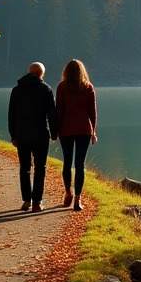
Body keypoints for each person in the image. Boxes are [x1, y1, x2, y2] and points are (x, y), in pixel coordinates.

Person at [8, 62, 59, 212]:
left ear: (29, 72)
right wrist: (54, 133)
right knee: (40, 168)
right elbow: (51, 113)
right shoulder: (45, 89)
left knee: (24, 168)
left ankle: (26, 201)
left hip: (22, 134)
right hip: (40, 134)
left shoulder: (16, 90)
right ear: (41, 74)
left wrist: (13, 135)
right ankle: (37, 201)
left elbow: (12, 115)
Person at [55, 59, 97, 211]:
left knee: (67, 162)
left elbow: (59, 111)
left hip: (66, 129)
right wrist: (94, 132)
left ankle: (68, 193)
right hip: (84, 129)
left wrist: (56, 130)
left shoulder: (62, 87)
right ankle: (78, 199)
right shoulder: (88, 87)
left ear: (66, 71)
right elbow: (92, 112)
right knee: (80, 164)